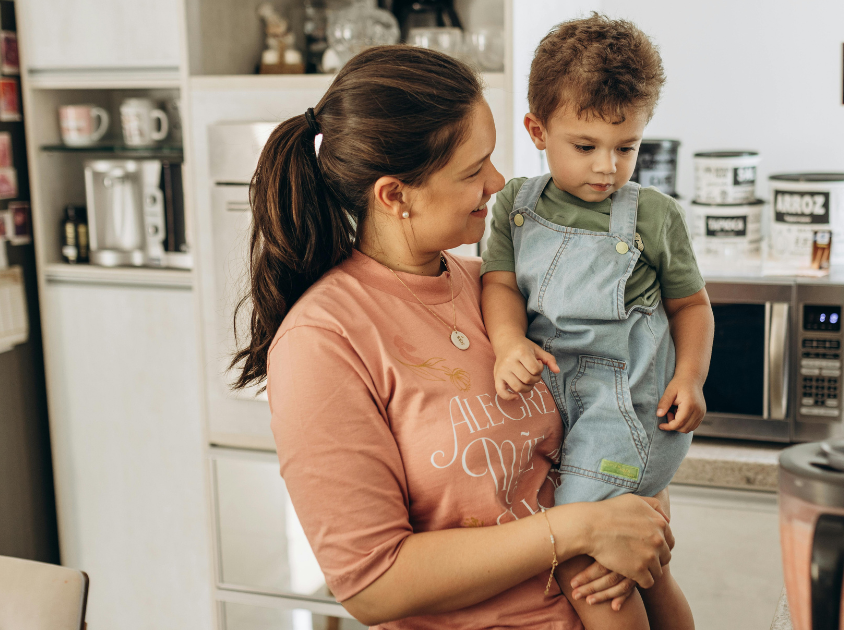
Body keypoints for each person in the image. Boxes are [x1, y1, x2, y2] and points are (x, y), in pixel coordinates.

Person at [231, 45, 676, 629]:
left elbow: (599, 420)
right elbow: (373, 583)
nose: (498, 182)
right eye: (473, 170)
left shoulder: (498, 289)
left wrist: (637, 505)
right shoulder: (324, 340)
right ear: (395, 196)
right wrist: (580, 529)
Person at [480, 15, 714, 630]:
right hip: (558, 402)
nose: (608, 167)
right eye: (585, 146)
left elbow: (692, 307)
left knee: (586, 573)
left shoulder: (654, 215)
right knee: (644, 566)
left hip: (627, 412)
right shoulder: (514, 205)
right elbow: (499, 283)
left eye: (627, 146)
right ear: (537, 130)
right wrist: (508, 343)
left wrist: (689, 379)